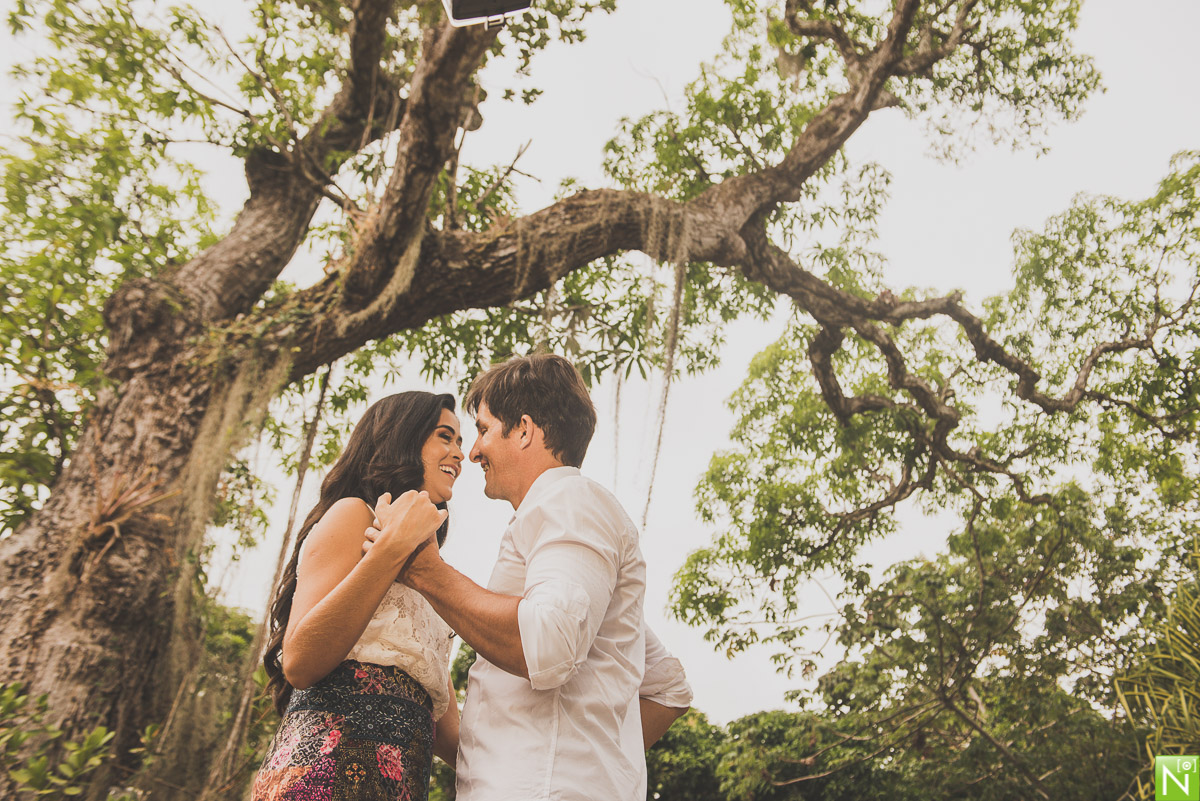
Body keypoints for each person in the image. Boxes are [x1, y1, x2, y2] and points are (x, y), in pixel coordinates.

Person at [367, 354, 693, 801]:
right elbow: (666, 684)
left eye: (482, 429)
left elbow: (548, 643)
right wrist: (602, 764)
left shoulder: (568, 500)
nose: (474, 451)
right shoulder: (558, 538)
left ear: (524, 430)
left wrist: (426, 572)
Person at [253, 391, 465, 801]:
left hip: (398, 785)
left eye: (459, 441)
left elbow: (451, 734)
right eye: (445, 436)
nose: (459, 453)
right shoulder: (353, 514)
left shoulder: (428, 574)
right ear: (402, 438)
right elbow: (299, 661)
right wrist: (392, 547)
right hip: (323, 776)